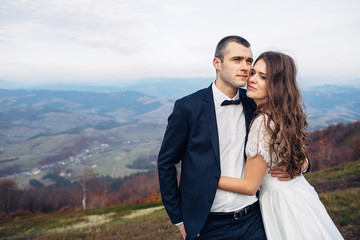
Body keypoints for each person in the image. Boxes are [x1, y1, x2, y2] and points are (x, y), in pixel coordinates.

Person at [157, 36, 302, 240]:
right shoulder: (188, 107)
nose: (245, 66)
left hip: (254, 218)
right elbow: (166, 163)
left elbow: (286, 135)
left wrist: (301, 165)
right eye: (237, 59)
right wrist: (179, 219)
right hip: (208, 225)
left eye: (249, 61)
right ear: (217, 63)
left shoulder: (254, 103)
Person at [218, 51, 344, 240]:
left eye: (263, 77)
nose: (252, 79)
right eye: (253, 73)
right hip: (300, 194)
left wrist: (207, 178)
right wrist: (299, 166)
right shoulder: (283, 114)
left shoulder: (262, 123)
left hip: (283, 204)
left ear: (277, 85)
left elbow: (250, 186)